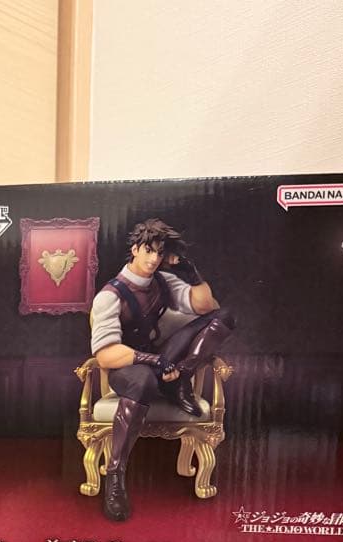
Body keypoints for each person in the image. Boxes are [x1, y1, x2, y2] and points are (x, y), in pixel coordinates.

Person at [90, 218, 236, 521]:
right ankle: (115, 477)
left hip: (167, 360)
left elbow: (207, 307)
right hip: (128, 367)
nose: (154, 259)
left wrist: (192, 274)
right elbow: (105, 356)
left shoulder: (163, 281)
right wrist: (154, 361)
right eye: (149, 251)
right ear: (135, 249)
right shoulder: (109, 296)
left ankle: (179, 379)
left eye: (159, 253)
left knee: (224, 316)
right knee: (143, 381)